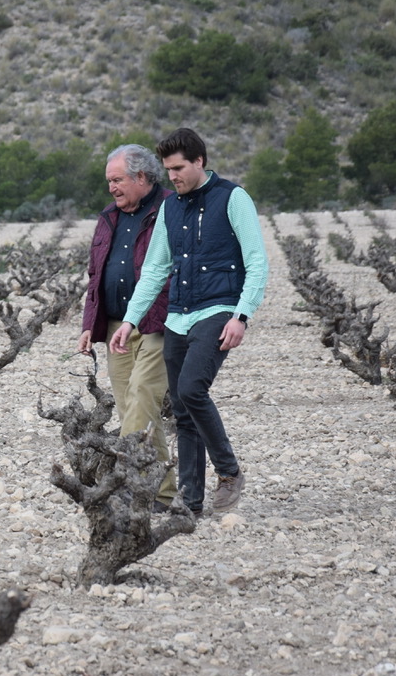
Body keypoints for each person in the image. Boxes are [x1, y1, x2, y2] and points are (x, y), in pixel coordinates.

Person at [110, 128, 268, 517]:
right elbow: (155, 269)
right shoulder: (170, 207)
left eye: (179, 168)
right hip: (178, 315)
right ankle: (190, 502)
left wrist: (241, 315)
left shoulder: (233, 198)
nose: (172, 176)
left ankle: (229, 472)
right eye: (168, 169)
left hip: (219, 310)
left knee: (193, 389)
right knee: (182, 408)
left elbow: (257, 260)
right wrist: (130, 321)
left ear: (199, 161)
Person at [77, 143, 175, 503]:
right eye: (109, 181)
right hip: (116, 326)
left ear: (142, 177)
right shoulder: (108, 216)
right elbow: (96, 274)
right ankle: (161, 495)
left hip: (156, 321)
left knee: (142, 397)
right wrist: (90, 324)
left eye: (117, 180)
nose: (112, 188)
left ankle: (131, 486)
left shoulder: (171, 209)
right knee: (130, 406)